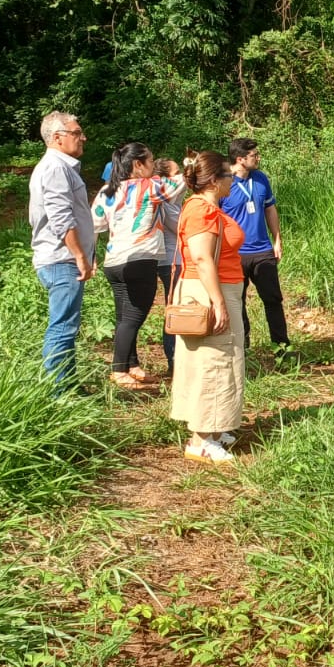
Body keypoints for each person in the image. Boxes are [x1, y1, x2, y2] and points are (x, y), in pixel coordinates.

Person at [170, 150, 246, 463]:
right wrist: (217, 302)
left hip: (217, 289)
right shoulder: (202, 211)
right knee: (214, 361)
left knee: (221, 359)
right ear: (214, 181)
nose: (234, 179)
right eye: (229, 175)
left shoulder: (208, 207)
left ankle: (213, 428)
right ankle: (200, 440)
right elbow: (202, 258)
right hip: (208, 292)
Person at [93, 143, 183, 390]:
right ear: (137, 165)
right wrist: (190, 166)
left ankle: (132, 365)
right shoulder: (151, 186)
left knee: (124, 316)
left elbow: (94, 224)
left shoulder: (106, 190)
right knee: (133, 317)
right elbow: (180, 183)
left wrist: (91, 256)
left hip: (113, 262)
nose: (154, 166)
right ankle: (119, 369)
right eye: (151, 161)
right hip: (140, 258)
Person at [28, 111, 94, 391]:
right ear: (57, 138)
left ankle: (68, 385)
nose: (83, 138)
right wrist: (79, 255)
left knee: (68, 326)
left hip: (64, 258)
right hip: (61, 259)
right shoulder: (55, 167)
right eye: (76, 133)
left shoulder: (61, 166)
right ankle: (58, 393)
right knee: (62, 327)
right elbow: (61, 218)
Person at [221, 138, 289, 354]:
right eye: (254, 155)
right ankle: (243, 346)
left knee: (273, 299)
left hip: (262, 250)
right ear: (240, 159)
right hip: (234, 254)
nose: (258, 158)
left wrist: (277, 239)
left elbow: (270, 208)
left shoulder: (260, 178)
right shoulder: (223, 182)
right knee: (236, 301)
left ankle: (281, 346)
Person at [153, 157, 184, 374]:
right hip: (173, 259)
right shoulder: (166, 199)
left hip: (167, 258)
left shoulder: (165, 197)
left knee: (173, 306)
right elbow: (178, 226)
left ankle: (176, 359)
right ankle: (174, 360)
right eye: (176, 172)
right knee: (174, 308)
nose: (180, 176)